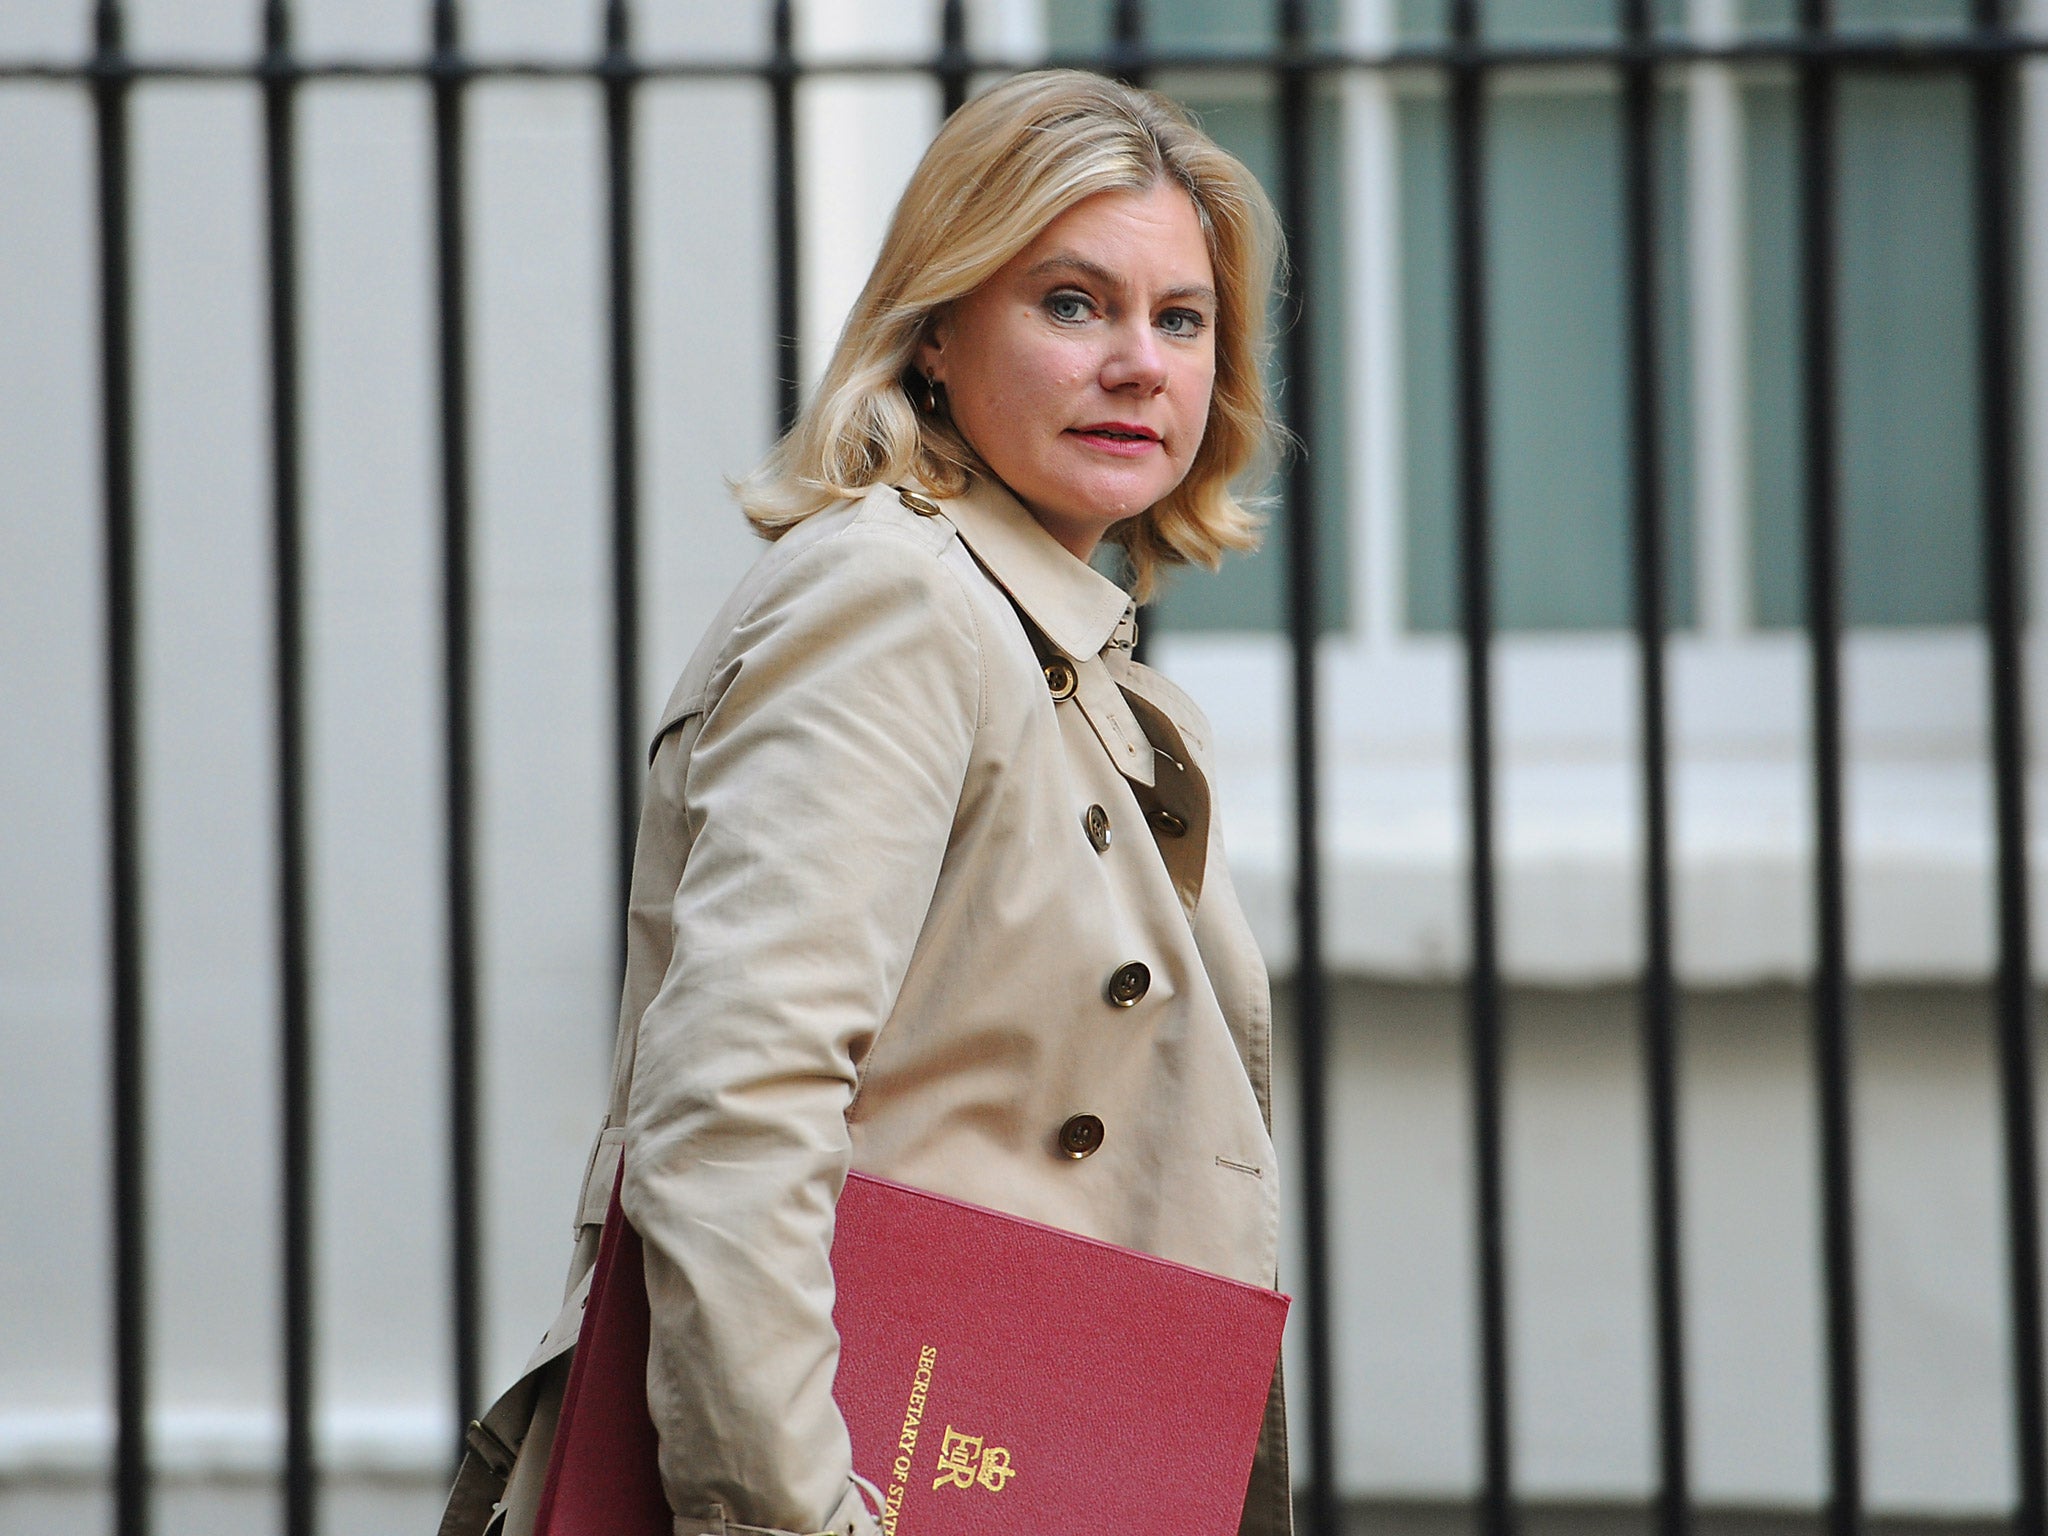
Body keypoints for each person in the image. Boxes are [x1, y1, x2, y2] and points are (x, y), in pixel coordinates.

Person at [450, 67, 1291, 1536]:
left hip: (1030, 1463)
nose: (1139, 363)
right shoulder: (896, 603)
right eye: (1072, 302)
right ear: (934, 336)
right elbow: (734, 1106)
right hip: (874, 1474)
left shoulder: (1096, 679)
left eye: (1182, 318)